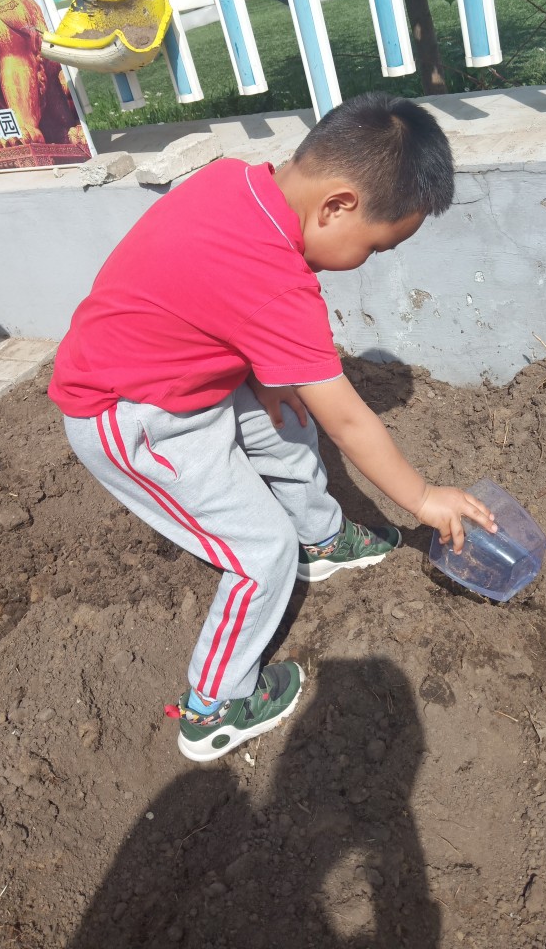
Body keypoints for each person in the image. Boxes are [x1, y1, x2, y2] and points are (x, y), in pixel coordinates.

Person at [48, 92, 496, 763]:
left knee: (286, 419)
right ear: (338, 206)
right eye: (375, 247)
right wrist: (423, 497)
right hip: (131, 416)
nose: (370, 260)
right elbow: (349, 419)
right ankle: (215, 704)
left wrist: (260, 371)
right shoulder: (278, 282)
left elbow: (201, 293)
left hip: (184, 379)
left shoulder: (235, 181)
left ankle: (321, 538)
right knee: (260, 553)